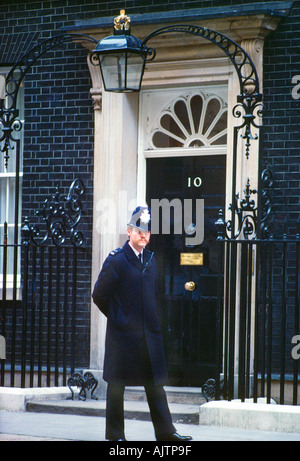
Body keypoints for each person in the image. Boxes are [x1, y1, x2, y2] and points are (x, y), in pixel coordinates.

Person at [92, 205, 192, 442]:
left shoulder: (151, 260)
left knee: (155, 386)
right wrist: (119, 318)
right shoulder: (116, 260)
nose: (144, 235)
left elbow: (153, 297)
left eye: (147, 231)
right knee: (116, 386)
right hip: (123, 337)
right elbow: (99, 296)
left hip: (149, 336)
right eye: (139, 230)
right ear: (129, 231)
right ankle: (115, 436)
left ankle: (166, 433)